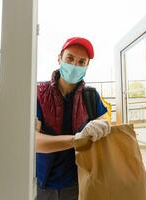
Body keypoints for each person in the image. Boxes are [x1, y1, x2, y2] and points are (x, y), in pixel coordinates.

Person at [35, 37, 111, 200]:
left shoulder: (91, 96)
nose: (75, 65)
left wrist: (102, 125)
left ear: (87, 66)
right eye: (70, 58)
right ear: (59, 58)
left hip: (80, 183)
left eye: (82, 62)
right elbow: (34, 141)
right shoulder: (39, 94)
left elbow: (106, 124)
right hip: (43, 185)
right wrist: (77, 139)